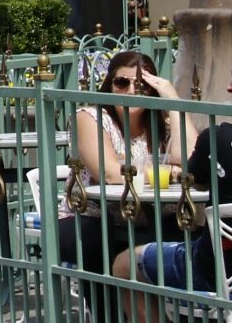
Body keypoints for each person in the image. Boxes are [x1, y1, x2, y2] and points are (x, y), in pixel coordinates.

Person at [112, 40, 232, 318]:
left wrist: (174, 104)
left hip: (220, 273)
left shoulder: (220, 138)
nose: (229, 87)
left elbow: (188, 171)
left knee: (124, 263)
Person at [55, 50, 186, 320]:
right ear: (109, 85)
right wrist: (166, 171)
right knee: (97, 239)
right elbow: (110, 173)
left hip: (147, 215)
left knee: (187, 233)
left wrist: (173, 103)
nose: (131, 91)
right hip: (90, 215)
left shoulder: (160, 122)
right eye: (122, 83)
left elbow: (190, 159)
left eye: (141, 85)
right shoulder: (90, 117)